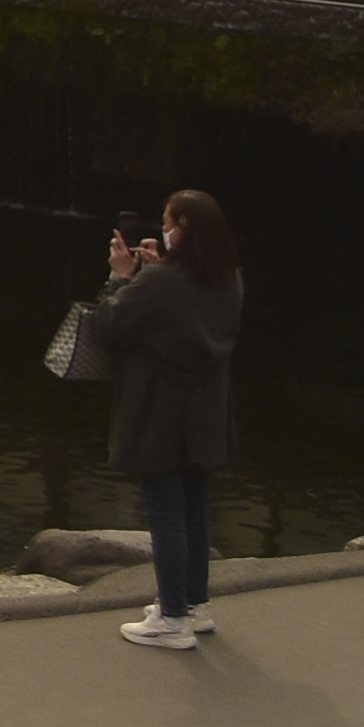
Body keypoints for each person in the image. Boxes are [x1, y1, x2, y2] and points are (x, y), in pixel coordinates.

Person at [94, 189, 248, 652]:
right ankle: (193, 604)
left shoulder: (160, 283)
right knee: (194, 509)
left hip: (161, 408)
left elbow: (109, 326)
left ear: (181, 228)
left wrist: (120, 277)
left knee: (165, 512)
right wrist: (157, 270)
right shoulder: (230, 278)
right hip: (208, 407)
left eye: (166, 221)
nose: (161, 229)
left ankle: (172, 618)